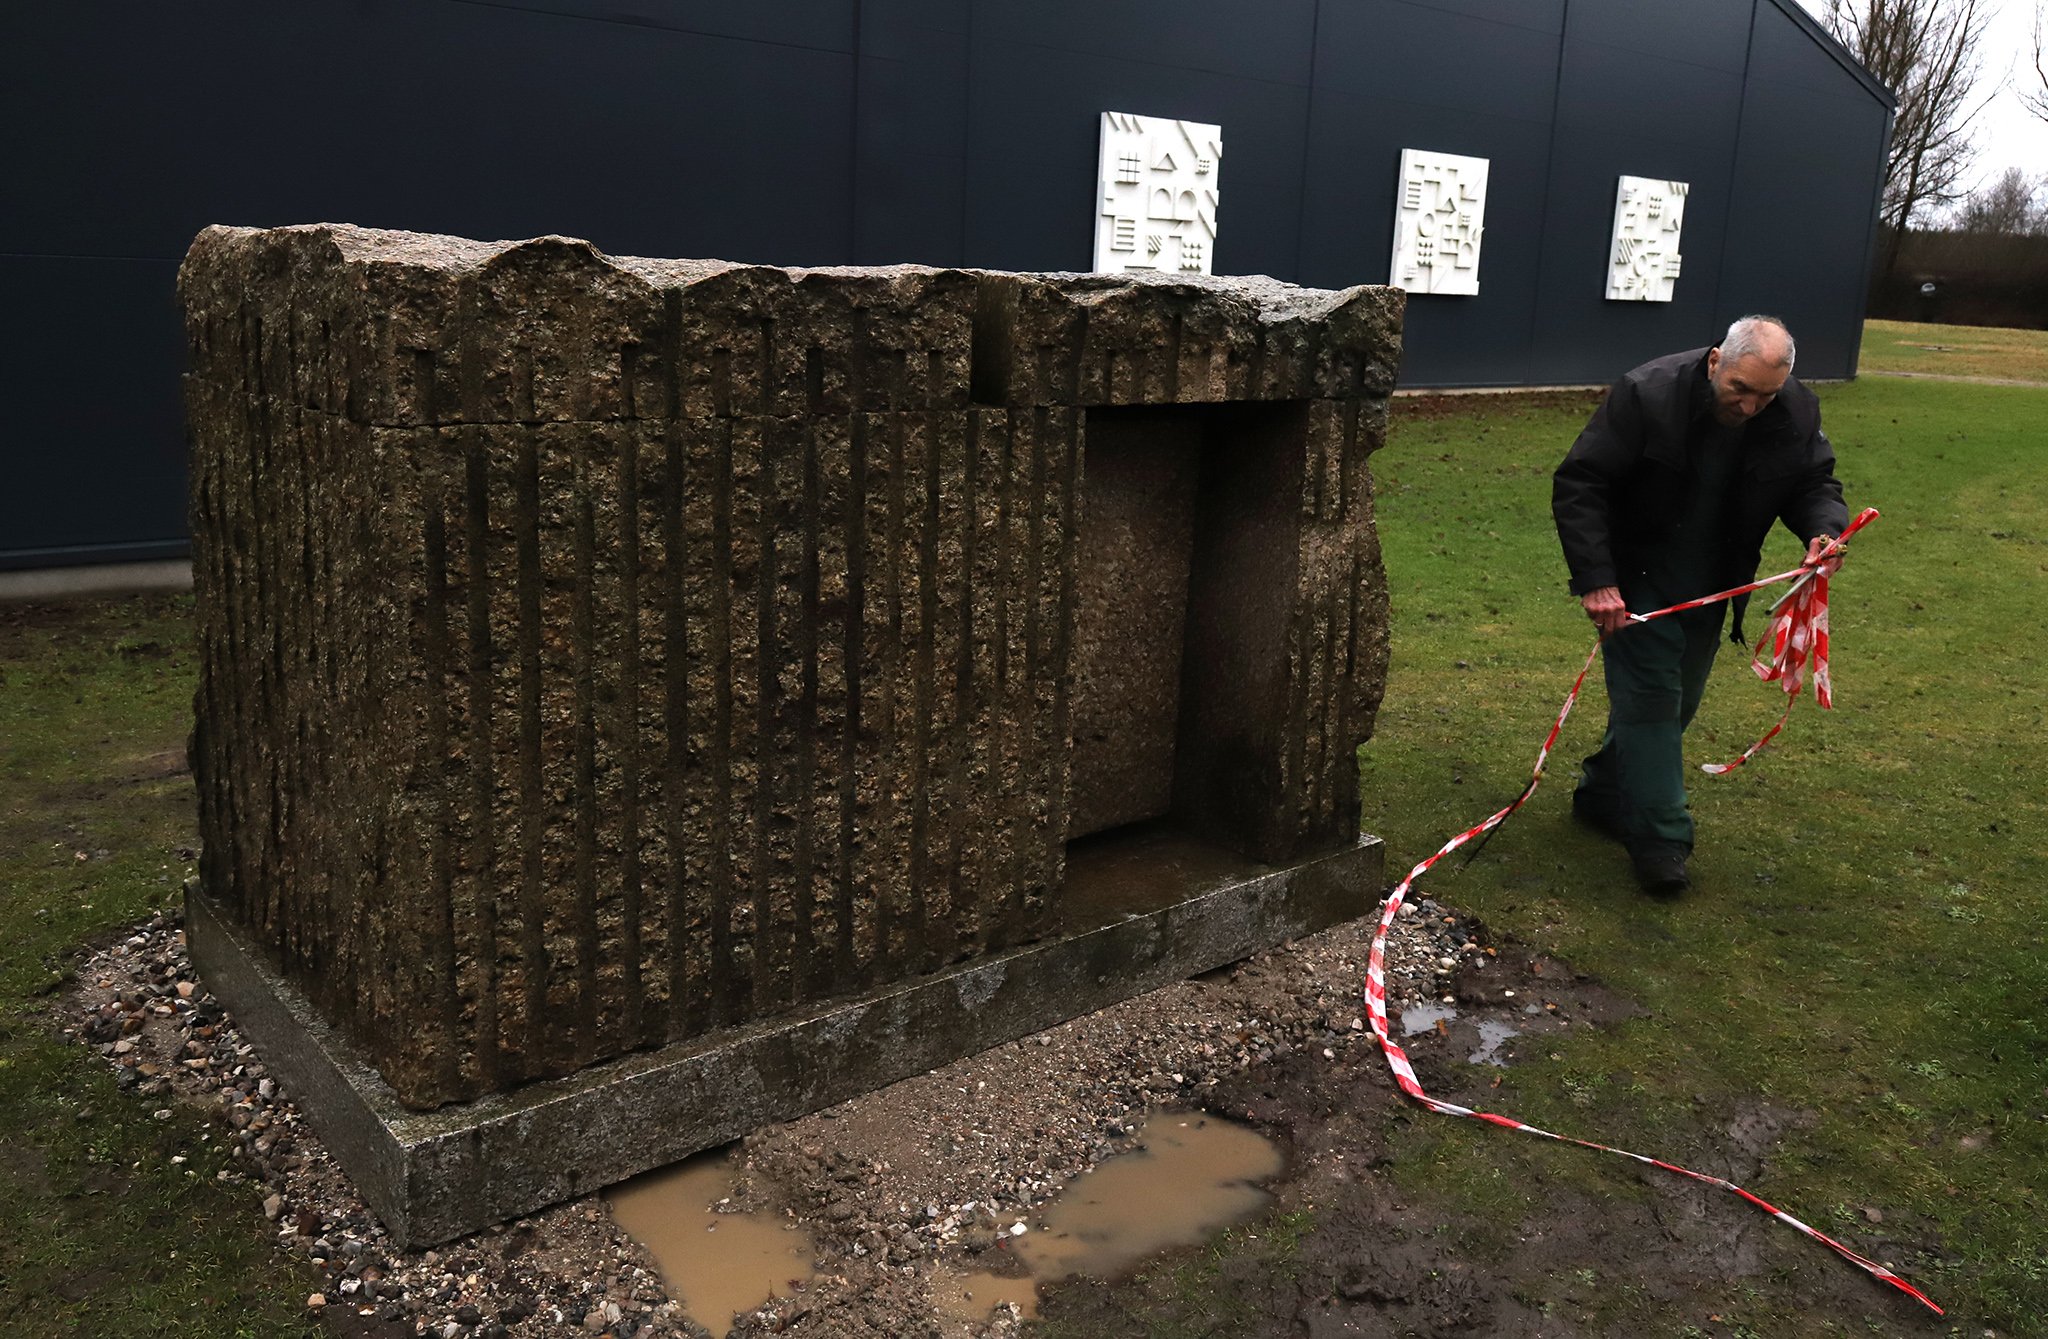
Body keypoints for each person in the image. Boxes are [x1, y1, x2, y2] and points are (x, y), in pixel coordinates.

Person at [1551, 316, 1846, 895]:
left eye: (1767, 395)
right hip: (1637, 576)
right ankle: (1662, 840)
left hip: (1715, 582)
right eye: (1740, 389)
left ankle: (1603, 794)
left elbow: (1815, 483)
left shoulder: (1796, 410)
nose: (1751, 406)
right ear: (1716, 361)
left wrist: (1824, 531)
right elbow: (1581, 483)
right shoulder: (1645, 393)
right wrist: (1595, 579)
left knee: (1677, 704)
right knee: (1654, 700)